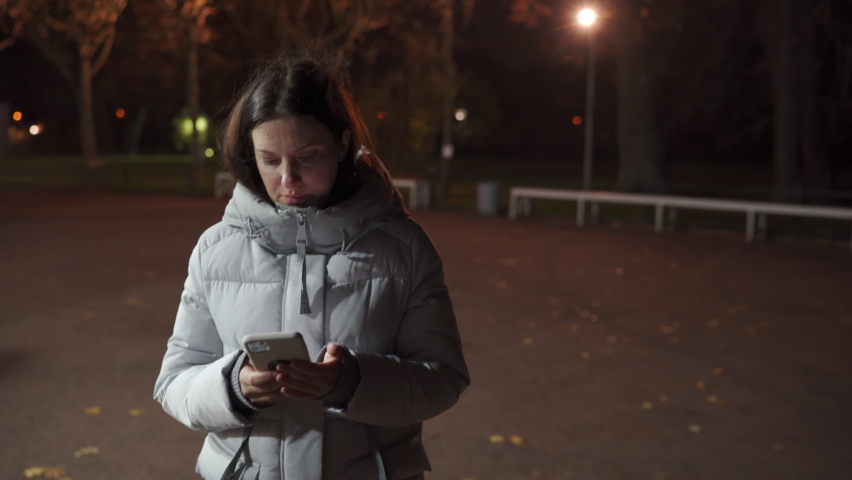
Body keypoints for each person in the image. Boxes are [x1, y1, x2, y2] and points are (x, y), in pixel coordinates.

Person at [153, 51, 470, 480]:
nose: (288, 179)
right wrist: (233, 386)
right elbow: (174, 383)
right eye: (270, 160)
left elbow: (442, 378)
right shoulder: (216, 249)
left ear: (341, 144)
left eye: (307, 157)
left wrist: (351, 382)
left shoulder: (403, 247)